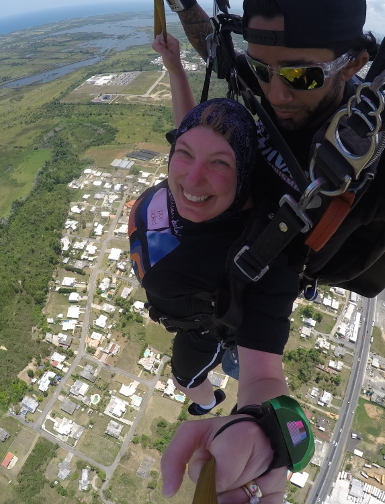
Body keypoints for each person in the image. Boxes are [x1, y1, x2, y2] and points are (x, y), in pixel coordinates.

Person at [160, 0, 385, 502]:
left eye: (301, 76)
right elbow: (214, 48)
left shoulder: (384, 153)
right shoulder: (257, 83)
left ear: (353, 62)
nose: (276, 90)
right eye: (262, 69)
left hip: (292, 275)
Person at [130, 33, 296, 417]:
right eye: (184, 154)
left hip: (205, 329)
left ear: (244, 177)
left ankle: (207, 403)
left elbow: (266, 378)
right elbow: (190, 131)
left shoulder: (261, 251)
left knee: (184, 380)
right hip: (184, 304)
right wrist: (175, 68)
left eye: (220, 163)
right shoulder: (204, 192)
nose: (192, 179)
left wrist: (257, 428)